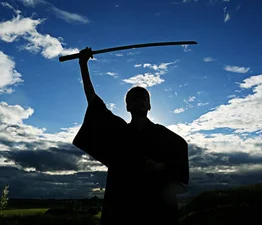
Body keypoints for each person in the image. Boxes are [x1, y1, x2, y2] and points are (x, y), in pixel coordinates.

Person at [72, 47, 189, 225]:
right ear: (127, 106)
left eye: (143, 99)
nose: (139, 102)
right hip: (122, 210)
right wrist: (83, 65)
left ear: (149, 106)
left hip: (156, 211)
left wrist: (160, 166)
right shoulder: (118, 131)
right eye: (133, 99)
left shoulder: (165, 136)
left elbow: (179, 158)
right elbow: (94, 103)